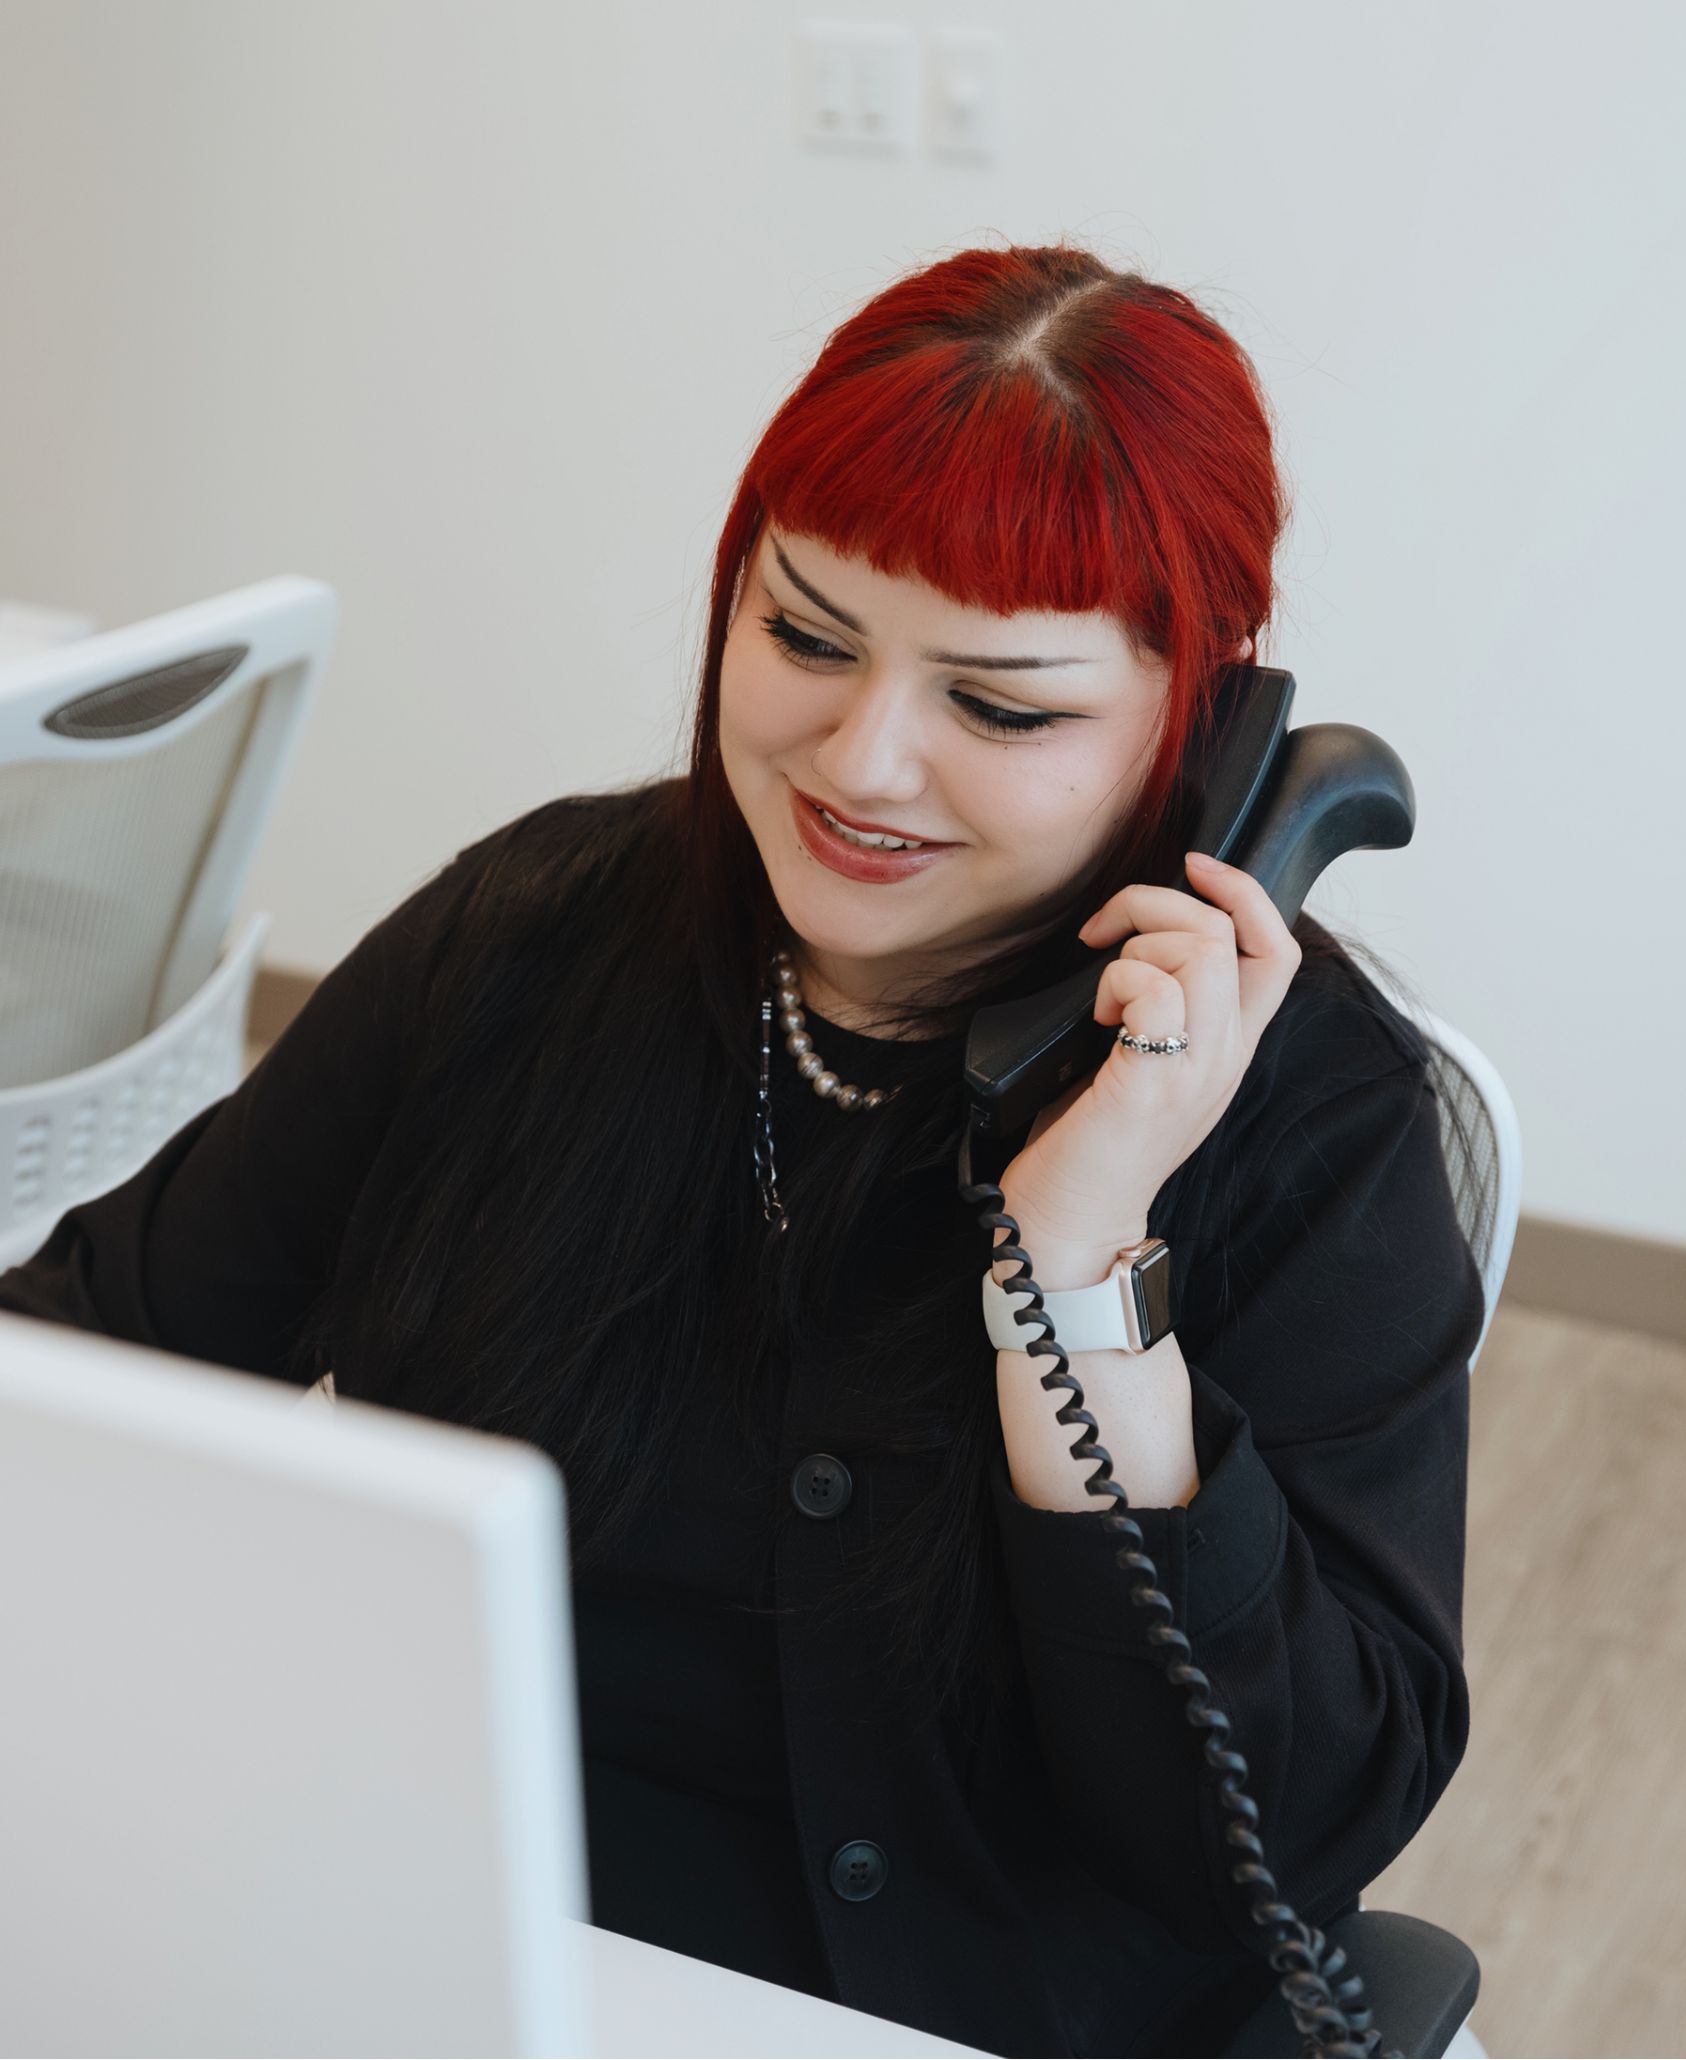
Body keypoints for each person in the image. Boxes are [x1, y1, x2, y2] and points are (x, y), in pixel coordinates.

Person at [0, 242, 1486, 2058]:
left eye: (1001, 708)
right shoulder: (537, 935)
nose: (861, 764)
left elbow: (1277, 1833)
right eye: (802, 635)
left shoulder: (1314, 1122)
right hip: (433, 1959)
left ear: (1203, 736)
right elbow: (83, 1356)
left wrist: (1086, 1265)